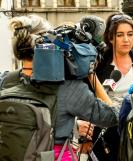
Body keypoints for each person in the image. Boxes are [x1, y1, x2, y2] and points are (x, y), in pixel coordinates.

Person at [7, 14, 119, 161]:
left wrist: (74, 125)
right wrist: (91, 75)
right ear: (47, 44)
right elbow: (113, 116)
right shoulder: (69, 89)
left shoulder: (6, 81)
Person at [77, 13, 133, 161]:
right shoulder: (98, 63)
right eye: (120, 35)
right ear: (110, 38)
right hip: (103, 135)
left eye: (130, 34)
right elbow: (84, 98)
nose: (126, 40)